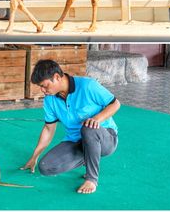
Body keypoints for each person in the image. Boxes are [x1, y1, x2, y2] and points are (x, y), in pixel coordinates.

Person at [20, 59, 120, 194]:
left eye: (44, 86)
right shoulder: (50, 100)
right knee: (45, 167)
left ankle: (92, 179)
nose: (42, 90)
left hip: (105, 138)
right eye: (40, 87)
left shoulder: (88, 85)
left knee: (88, 128)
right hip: (76, 141)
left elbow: (115, 104)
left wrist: (96, 119)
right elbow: (49, 129)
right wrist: (34, 156)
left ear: (56, 77)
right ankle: (89, 156)